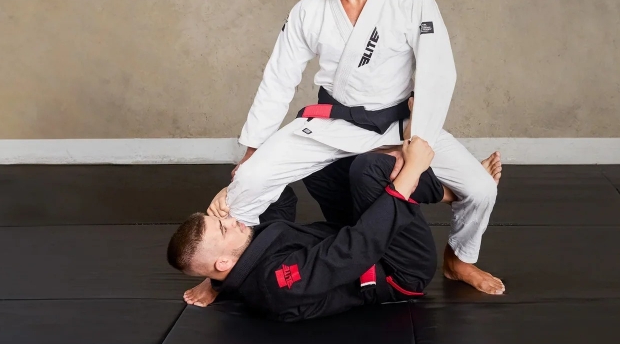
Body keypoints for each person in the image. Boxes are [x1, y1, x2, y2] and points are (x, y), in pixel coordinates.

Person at [205, 0, 503, 296]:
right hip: (331, 124)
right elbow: (278, 80)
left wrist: (419, 142)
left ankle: (459, 259)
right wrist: (252, 150)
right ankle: (223, 274)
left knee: (481, 190)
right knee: (250, 180)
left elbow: (437, 75)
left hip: (398, 125)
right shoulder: (308, 11)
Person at [167, 138, 443, 322]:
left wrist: (235, 192)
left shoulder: (242, 252)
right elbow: (354, 250)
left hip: (352, 235)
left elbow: (281, 198)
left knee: (315, 163)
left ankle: (428, 181)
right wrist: (412, 171)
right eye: (223, 229)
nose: (232, 220)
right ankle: (450, 190)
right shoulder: (275, 284)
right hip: (397, 269)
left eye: (221, 219)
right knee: (370, 169)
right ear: (223, 262)